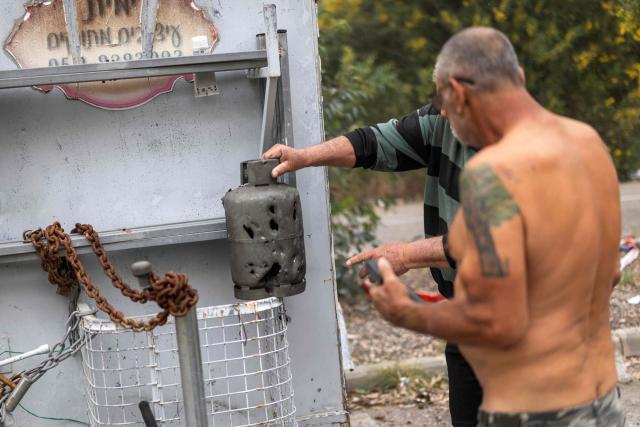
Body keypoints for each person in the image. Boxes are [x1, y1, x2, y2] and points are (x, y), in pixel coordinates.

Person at [368, 27, 625, 426]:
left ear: (457, 92)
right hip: (602, 404)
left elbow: (497, 322)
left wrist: (404, 310)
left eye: (443, 104)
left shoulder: (495, 171)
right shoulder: (587, 143)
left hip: (535, 412)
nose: (443, 115)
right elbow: (608, 274)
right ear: (518, 77)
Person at [262, 91, 481, 425]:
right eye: (441, 100)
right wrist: (305, 157)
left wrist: (407, 255)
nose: (445, 112)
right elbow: (374, 142)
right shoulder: (442, 121)